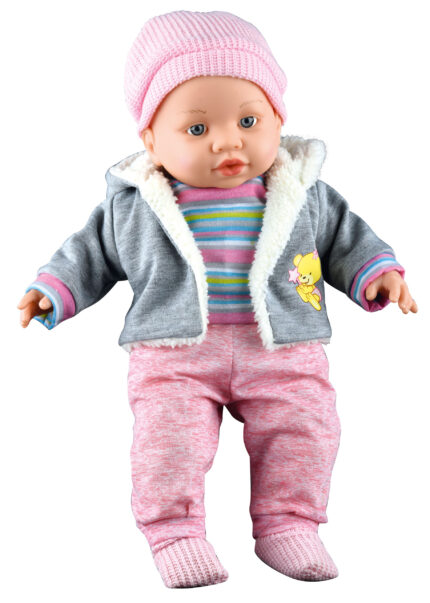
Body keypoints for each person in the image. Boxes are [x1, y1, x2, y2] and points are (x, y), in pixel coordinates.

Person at [17, 10, 418, 589]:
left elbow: (346, 237)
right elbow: (90, 251)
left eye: (248, 120)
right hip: (175, 353)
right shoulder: (137, 202)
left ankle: (288, 523)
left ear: (278, 119)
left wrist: (376, 271)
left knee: (305, 429)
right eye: (197, 128)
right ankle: (175, 532)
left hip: (283, 348)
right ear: (150, 139)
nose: (228, 140)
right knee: (168, 443)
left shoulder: (301, 190)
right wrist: (53, 288)